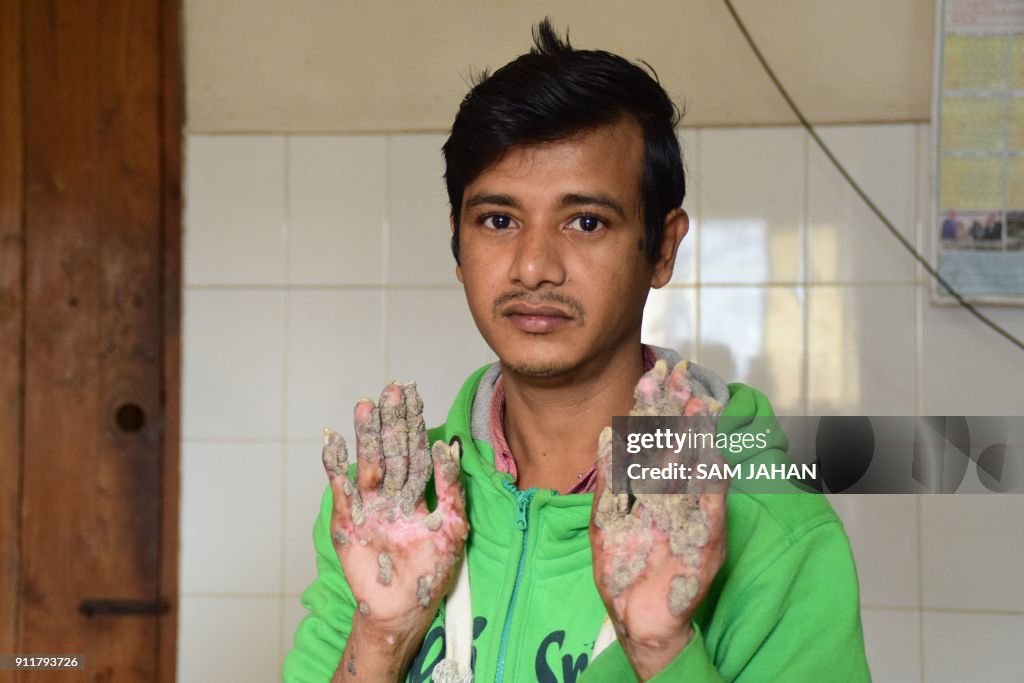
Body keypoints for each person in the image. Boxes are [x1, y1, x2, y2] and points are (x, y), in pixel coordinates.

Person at [283, 20, 869, 682]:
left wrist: (662, 648)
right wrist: (383, 636)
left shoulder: (767, 524)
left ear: (663, 248)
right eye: (498, 220)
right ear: (457, 240)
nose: (533, 266)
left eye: (586, 221)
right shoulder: (394, 508)